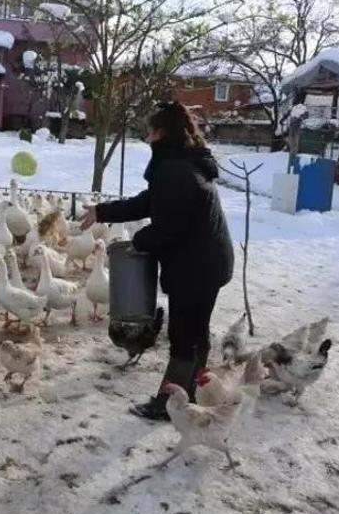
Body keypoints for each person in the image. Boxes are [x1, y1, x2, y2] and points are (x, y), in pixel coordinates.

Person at [80, 102, 234, 421]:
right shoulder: (184, 163)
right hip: (208, 261)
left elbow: (167, 228)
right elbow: (151, 202)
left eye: (150, 131)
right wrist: (104, 211)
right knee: (196, 329)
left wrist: (136, 242)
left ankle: (171, 403)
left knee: (183, 335)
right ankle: (194, 391)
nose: (147, 138)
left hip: (196, 266)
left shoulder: (176, 169)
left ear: (161, 133)